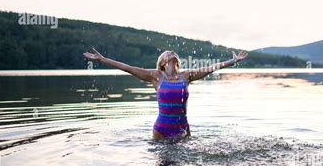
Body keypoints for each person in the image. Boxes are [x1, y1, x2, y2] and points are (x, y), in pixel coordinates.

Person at [83, 48, 248, 139]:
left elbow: (211, 68)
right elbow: (127, 68)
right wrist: (103, 59)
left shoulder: (187, 75)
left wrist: (233, 61)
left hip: (183, 128)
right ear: (162, 62)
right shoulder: (155, 76)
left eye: (174, 53)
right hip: (162, 129)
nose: (172, 53)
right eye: (169, 53)